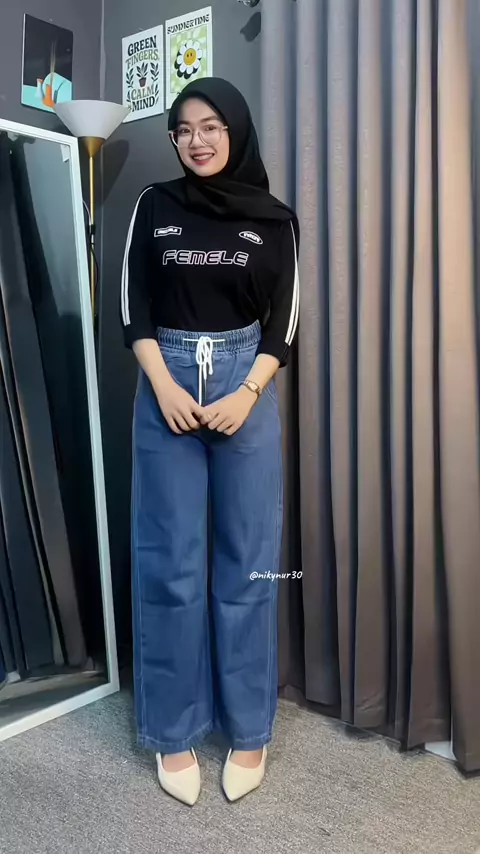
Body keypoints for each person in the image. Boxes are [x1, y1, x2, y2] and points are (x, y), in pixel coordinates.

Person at [121, 77, 300, 806]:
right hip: (165, 380)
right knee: (170, 563)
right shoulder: (154, 205)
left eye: (211, 126)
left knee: (249, 565)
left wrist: (246, 393)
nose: (196, 141)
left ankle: (249, 727)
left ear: (236, 130)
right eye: (184, 129)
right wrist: (164, 387)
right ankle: (173, 728)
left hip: (243, 384)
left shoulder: (275, 219)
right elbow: (132, 305)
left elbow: (284, 322)